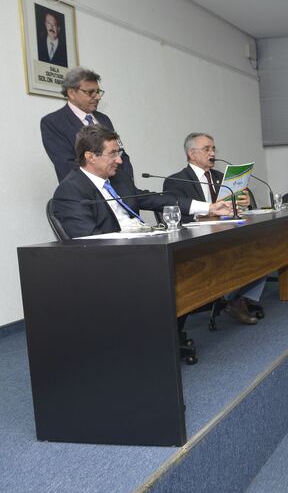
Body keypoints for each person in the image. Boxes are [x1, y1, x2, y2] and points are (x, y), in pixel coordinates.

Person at [52, 125, 231, 238]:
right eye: (112, 154)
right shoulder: (71, 191)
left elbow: (155, 199)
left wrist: (209, 208)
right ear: (90, 157)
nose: (119, 160)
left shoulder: (119, 178)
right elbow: (90, 241)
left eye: (119, 153)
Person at [163, 132, 265, 325]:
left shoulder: (222, 177)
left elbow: (235, 209)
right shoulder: (176, 181)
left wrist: (244, 203)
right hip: (198, 238)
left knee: (260, 244)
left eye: (213, 149)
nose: (212, 153)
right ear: (192, 154)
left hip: (227, 232)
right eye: (207, 149)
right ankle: (232, 297)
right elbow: (178, 215)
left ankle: (237, 297)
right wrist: (208, 214)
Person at [41, 67, 131, 182]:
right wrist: (102, 185)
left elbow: (121, 155)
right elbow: (66, 165)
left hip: (118, 187)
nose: (98, 97)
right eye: (90, 92)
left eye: (98, 92)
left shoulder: (104, 119)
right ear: (71, 93)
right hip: (84, 190)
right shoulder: (53, 122)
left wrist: (125, 183)